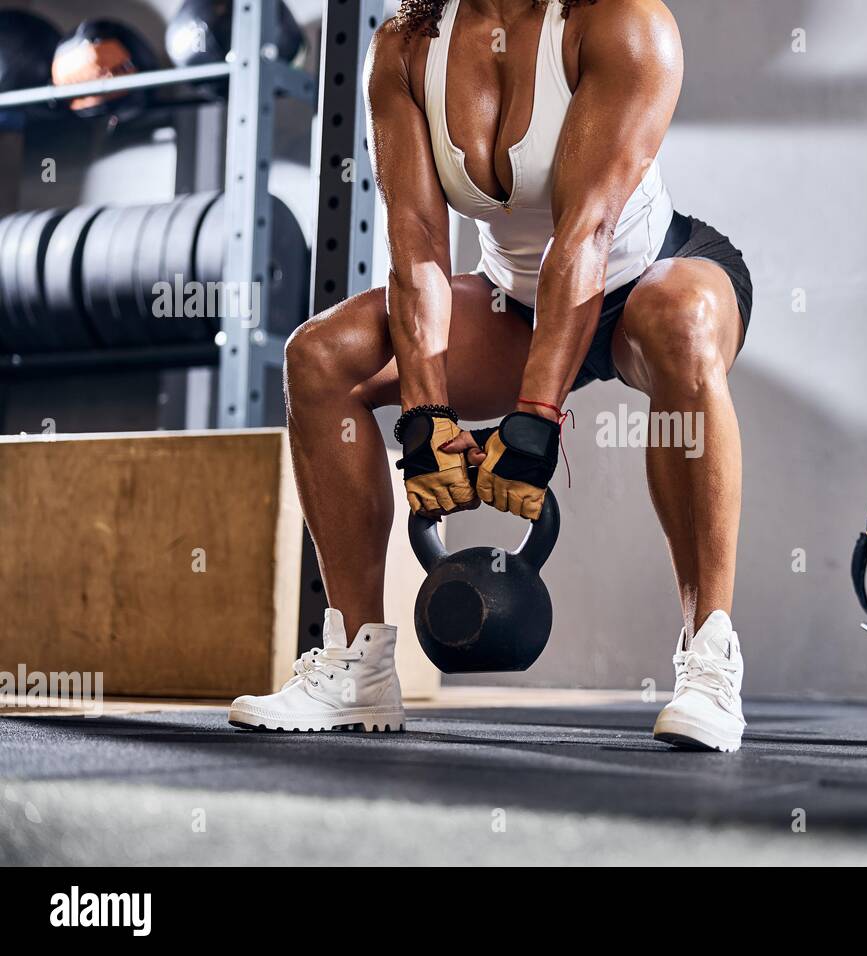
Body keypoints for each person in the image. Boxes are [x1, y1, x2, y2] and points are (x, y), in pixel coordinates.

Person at [229, 0, 753, 751]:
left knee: (682, 323)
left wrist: (536, 418)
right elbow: (415, 248)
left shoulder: (622, 24)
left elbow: (588, 232)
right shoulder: (406, 49)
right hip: (519, 305)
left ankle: (710, 660)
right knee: (319, 357)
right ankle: (358, 664)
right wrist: (425, 422)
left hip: (646, 283)